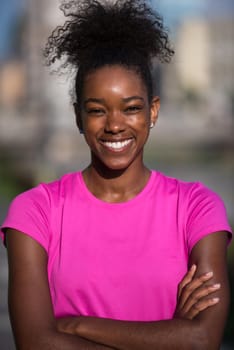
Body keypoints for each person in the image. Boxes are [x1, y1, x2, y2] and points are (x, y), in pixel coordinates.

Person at [1, 1, 232, 349]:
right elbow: (35, 342)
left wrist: (76, 325)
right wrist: (169, 336)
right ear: (78, 116)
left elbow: (201, 338)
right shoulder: (35, 212)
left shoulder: (197, 207)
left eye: (132, 108)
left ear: (152, 111)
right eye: (96, 110)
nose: (114, 125)